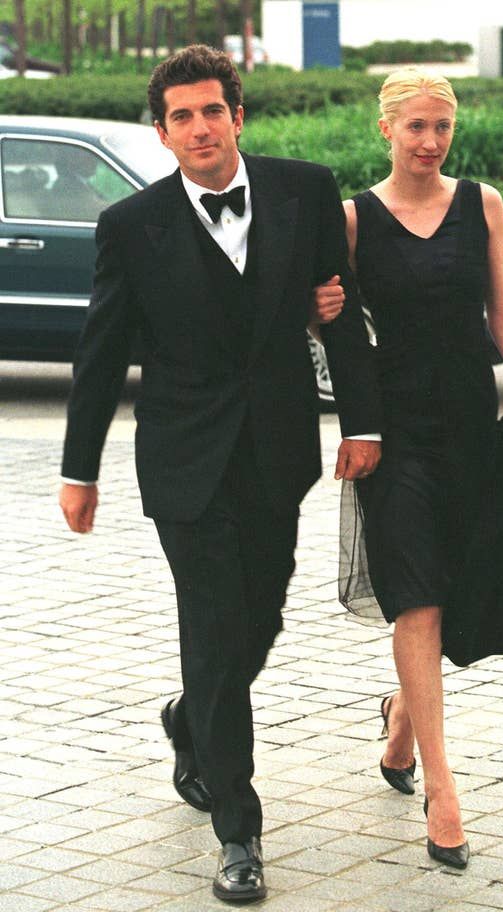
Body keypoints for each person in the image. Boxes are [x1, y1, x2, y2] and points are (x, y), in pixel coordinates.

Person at [59, 45, 382, 904]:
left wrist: (364, 422)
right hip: (183, 461)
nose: (199, 128)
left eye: (212, 111)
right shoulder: (130, 226)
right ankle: (237, 831)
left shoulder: (305, 190)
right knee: (210, 628)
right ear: (161, 134)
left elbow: (337, 305)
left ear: (237, 116)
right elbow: (100, 354)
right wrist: (77, 470)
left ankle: (189, 718)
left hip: (278, 453)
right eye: (181, 116)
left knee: (260, 619)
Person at [313, 68, 503, 870]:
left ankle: (401, 722)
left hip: (469, 431)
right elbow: (332, 330)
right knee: (416, 598)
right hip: (395, 437)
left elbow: (502, 317)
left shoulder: (481, 203)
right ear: (386, 129)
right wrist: (326, 314)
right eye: (415, 126)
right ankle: (444, 793)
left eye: (442, 127)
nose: (430, 142)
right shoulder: (351, 219)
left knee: (454, 588)